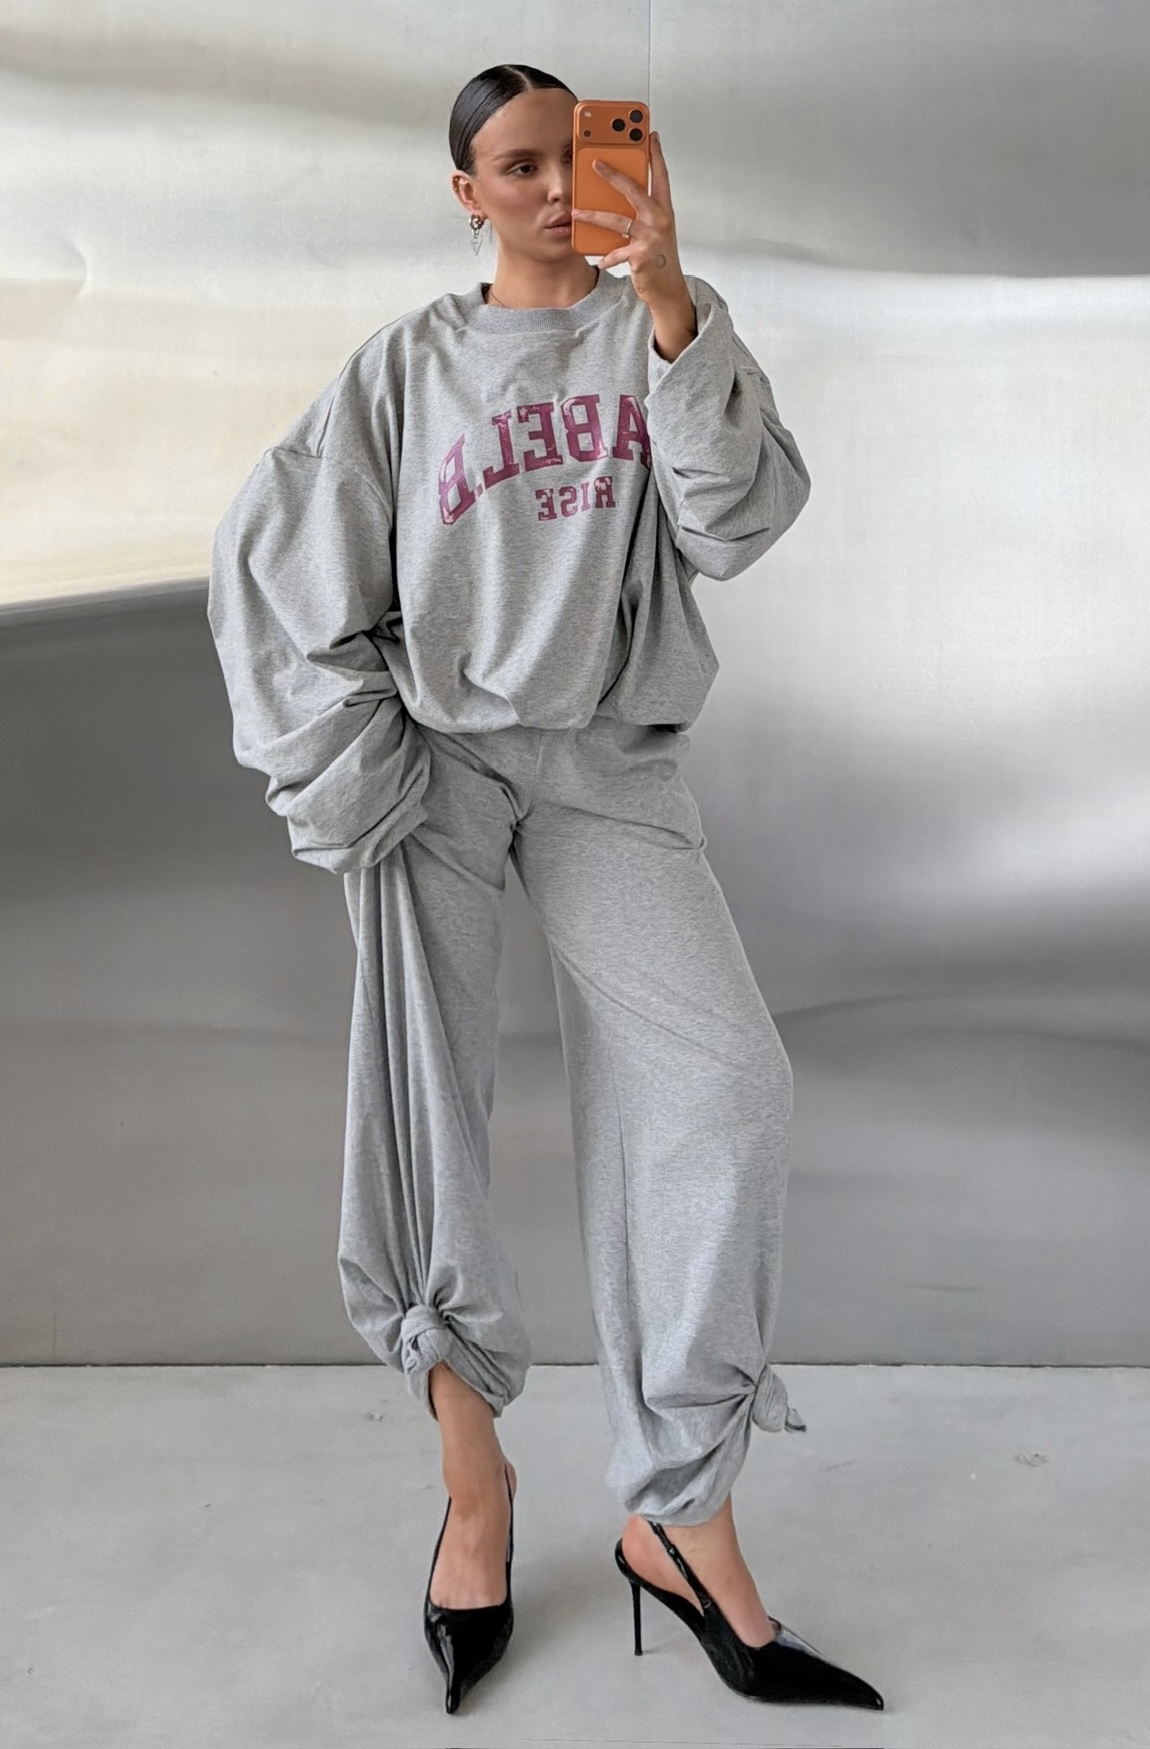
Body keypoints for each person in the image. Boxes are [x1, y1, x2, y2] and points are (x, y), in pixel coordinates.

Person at [207, 61, 883, 1719]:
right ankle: (475, 1485)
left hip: (606, 768)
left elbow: (736, 522)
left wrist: (667, 295)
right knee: (424, 1116)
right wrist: (355, 760)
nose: (554, 184)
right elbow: (271, 562)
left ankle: (679, 1507)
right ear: (466, 192)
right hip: (435, 765)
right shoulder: (404, 369)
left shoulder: (663, 330)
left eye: (578, 154)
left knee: (724, 1088)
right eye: (517, 164)